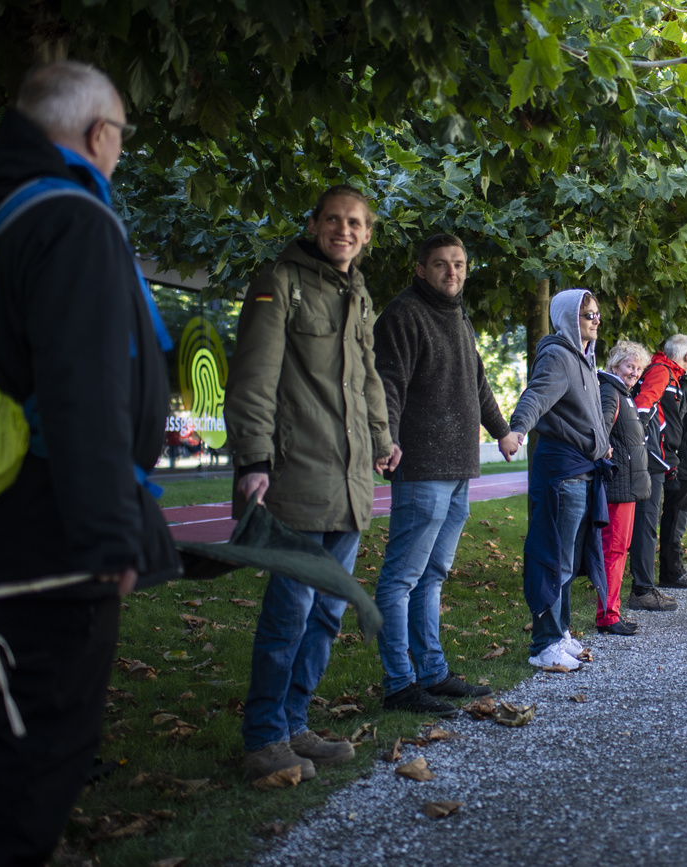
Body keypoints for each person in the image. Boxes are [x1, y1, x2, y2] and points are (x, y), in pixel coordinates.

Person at [0, 60, 180, 865]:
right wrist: (110, 539)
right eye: (121, 138)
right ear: (97, 134)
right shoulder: (72, 220)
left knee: (15, 727)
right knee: (45, 745)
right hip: (56, 530)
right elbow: (83, 392)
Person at [225, 183, 396, 781]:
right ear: (315, 222)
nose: (343, 230)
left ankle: (295, 723)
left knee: (326, 613)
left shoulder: (359, 292)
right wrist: (251, 461)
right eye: (333, 219)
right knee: (289, 612)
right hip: (297, 476)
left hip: (349, 485)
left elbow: (369, 378)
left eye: (355, 222)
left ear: (367, 234)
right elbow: (253, 377)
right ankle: (265, 737)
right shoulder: (281, 280)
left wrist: (383, 438)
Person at [373, 234, 521, 713]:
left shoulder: (459, 315)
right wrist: (386, 438)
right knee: (402, 578)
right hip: (420, 466)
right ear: (421, 269)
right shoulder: (403, 314)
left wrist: (500, 430)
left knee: (433, 575)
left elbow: (476, 379)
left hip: (459, 467)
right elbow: (387, 384)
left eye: (458, 264)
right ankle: (399, 682)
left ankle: (432, 673)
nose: (451, 273)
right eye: (441, 265)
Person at [509, 289, 612, 669]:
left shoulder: (584, 359)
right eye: (588, 315)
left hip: (582, 471)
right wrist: (517, 429)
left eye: (597, 314)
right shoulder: (557, 355)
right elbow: (534, 397)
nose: (595, 320)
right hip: (562, 475)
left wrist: (602, 446)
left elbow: (587, 415)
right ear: (569, 317)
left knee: (567, 560)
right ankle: (544, 644)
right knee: (554, 559)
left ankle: (560, 632)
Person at [631, 334, 687, 595]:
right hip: (652, 460)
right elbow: (641, 408)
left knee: (649, 524)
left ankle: (645, 586)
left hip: (659, 459)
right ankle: (643, 588)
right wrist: (640, 448)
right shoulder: (662, 372)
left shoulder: (669, 373)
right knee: (646, 525)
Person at [597, 340, 653, 634]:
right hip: (618, 486)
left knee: (618, 550)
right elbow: (600, 431)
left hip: (627, 486)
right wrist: (605, 449)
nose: (634, 372)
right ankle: (608, 616)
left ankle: (611, 612)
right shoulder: (610, 391)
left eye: (638, 367)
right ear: (615, 365)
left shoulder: (623, 393)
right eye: (630, 365)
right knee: (614, 551)